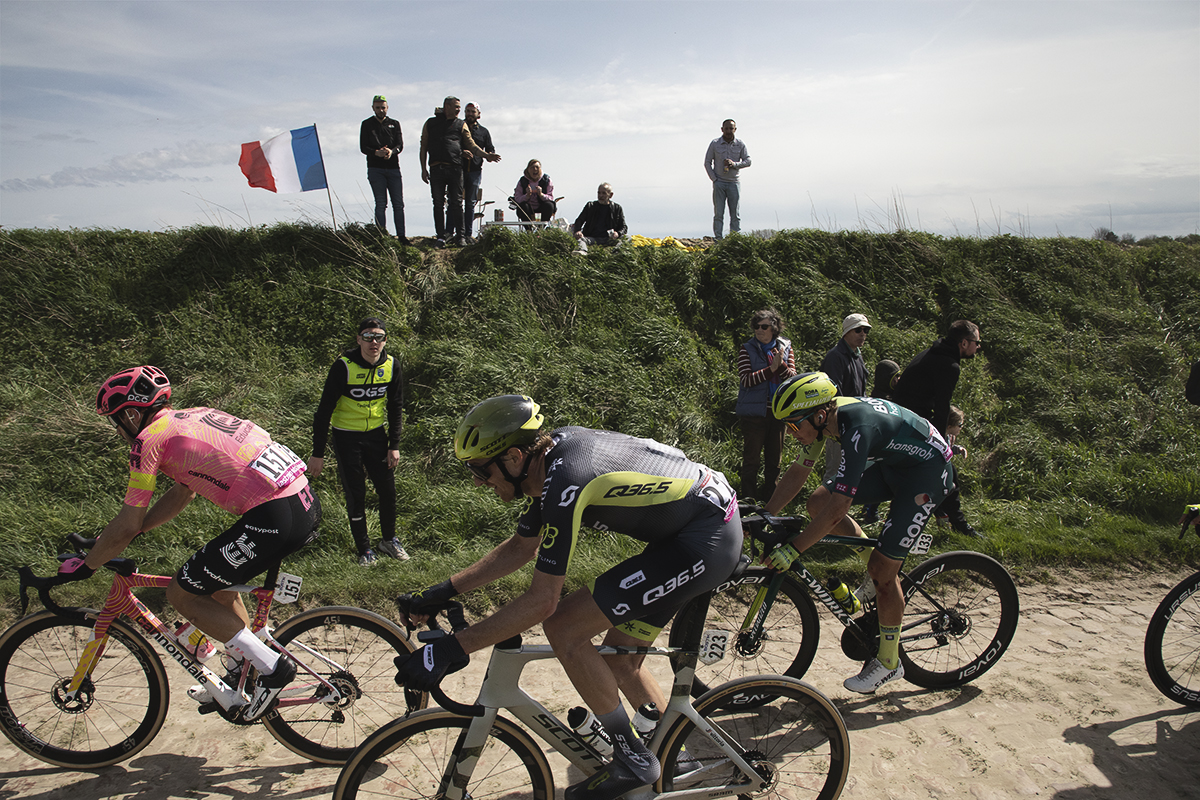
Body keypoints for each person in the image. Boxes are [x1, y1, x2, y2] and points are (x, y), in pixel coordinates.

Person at [394, 395, 743, 799]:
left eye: (480, 469)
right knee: (622, 659)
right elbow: (521, 547)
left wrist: (455, 648)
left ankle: (633, 758)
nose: (476, 480)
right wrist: (444, 590)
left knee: (564, 626)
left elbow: (543, 601)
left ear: (513, 457)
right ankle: (675, 759)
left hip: (704, 541)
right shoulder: (549, 463)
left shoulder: (567, 478)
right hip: (693, 527)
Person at [62, 366, 321, 721]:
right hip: (301, 501)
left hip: (273, 516)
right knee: (218, 589)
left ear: (132, 413)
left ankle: (273, 668)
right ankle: (238, 672)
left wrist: (89, 563)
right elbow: (182, 492)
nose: (118, 430)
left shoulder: (147, 441)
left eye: (116, 421)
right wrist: (123, 537)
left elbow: (127, 521)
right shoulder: (194, 417)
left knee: (182, 593)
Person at [763, 372, 954, 694]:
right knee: (817, 500)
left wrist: (794, 549)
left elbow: (840, 508)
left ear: (820, 414)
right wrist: (768, 514)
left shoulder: (856, 427)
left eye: (794, 425)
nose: (791, 432)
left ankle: (889, 663)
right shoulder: (827, 420)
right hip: (897, 465)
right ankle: (872, 567)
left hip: (926, 475)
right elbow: (799, 471)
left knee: (883, 572)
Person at [308, 317, 409, 566]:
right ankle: (364, 549)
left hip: (377, 435)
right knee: (357, 494)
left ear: (385, 340)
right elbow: (323, 412)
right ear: (358, 339)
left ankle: (389, 540)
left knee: (387, 492)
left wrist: (394, 445)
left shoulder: (392, 365)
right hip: (346, 437)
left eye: (378, 337)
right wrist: (317, 453)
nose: (373, 342)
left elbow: (396, 406)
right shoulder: (343, 366)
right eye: (367, 337)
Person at [891, 320, 984, 538]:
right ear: (963, 343)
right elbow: (942, 406)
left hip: (904, 420)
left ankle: (947, 519)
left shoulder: (932, 353)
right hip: (911, 424)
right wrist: (943, 445)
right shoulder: (949, 365)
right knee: (947, 472)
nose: (978, 347)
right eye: (976, 343)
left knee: (942, 473)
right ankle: (959, 525)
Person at [420, 96, 501, 247]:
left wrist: (486, 155)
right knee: (438, 203)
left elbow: (472, 145)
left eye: (459, 107)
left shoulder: (461, 124)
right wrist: (423, 169)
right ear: (446, 107)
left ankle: (461, 237)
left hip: (456, 169)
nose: (459, 110)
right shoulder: (430, 123)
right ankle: (441, 236)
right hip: (436, 168)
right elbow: (423, 146)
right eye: (456, 107)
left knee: (458, 203)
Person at [735, 309, 795, 501]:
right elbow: (746, 380)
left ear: (774, 328)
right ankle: (748, 500)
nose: (759, 330)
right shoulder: (747, 349)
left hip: (778, 412)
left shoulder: (786, 348)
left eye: (764, 326)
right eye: (756, 326)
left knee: (774, 461)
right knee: (751, 460)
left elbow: (793, 378)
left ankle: (770, 500)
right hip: (754, 414)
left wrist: (781, 366)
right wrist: (771, 370)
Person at [819, 313, 871, 483]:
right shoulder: (835, 357)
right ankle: (824, 506)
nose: (863, 334)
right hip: (838, 422)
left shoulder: (857, 355)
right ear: (846, 332)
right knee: (835, 469)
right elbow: (833, 393)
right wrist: (839, 422)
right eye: (858, 330)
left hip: (854, 420)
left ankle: (840, 507)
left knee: (850, 468)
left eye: (866, 330)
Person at [360, 95, 407, 243]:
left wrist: (391, 152)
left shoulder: (394, 124)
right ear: (373, 108)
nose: (381, 110)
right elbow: (363, 147)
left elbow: (400, 145)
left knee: (398, 203)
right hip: (375, 168)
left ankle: (401, 236)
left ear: (387, 108)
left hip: (393, 168)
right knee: (381, 203)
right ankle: (381, 237)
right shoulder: (367, 124)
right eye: (378, 107)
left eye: (383, 107)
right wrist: (376, 152)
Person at [703, 119, 751, 239]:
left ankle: (734, 239)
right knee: (718, 214)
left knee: (735, 214)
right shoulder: (715, 143)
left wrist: (734, 164)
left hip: (734, 183)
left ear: (735, 129)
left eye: (731, 128)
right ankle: (718, 239)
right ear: (722, 129)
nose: (729, 131)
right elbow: (707, 162)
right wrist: (714, 179)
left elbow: (748, 161)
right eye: (726, 128)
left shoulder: (740, 144)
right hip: (719, 183)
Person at [461, 102, 495, 243]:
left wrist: (490, 155)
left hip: (475, 171)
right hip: (458, 170)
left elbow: (490, 148)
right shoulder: (458, 127)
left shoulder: (484, 132)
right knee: (454, 202)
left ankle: (468, 234)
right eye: (467, 111)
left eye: (472, 111)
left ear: (478, 114)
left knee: (470, 203)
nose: (470, 114)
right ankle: (450, 233)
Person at [572, 183, 627, 253]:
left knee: (627, 238)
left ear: (611, 195)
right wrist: (578, 231)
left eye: (604, 193)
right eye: (599, 193)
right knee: (581, 240)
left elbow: (624, 227)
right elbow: (579, 220)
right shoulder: (590, 206)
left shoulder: (617, 208)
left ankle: (616, 252)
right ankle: (582, 251)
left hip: (609, 239)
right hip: (592, 238)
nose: (600, 196)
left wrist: (618, 233)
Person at [513, 159, 556, 226]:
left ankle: (540, 229)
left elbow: (551, 197)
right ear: (528, 170)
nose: (535, 169)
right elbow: (517, 198)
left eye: (537, 167)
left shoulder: (546, 180)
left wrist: (541, 195)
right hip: (528, 208)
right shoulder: (522, 181)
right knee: (522, 206)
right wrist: (526, 196)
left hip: (542, 207)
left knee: (549, 205)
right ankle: (529, 231)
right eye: (532, 167)